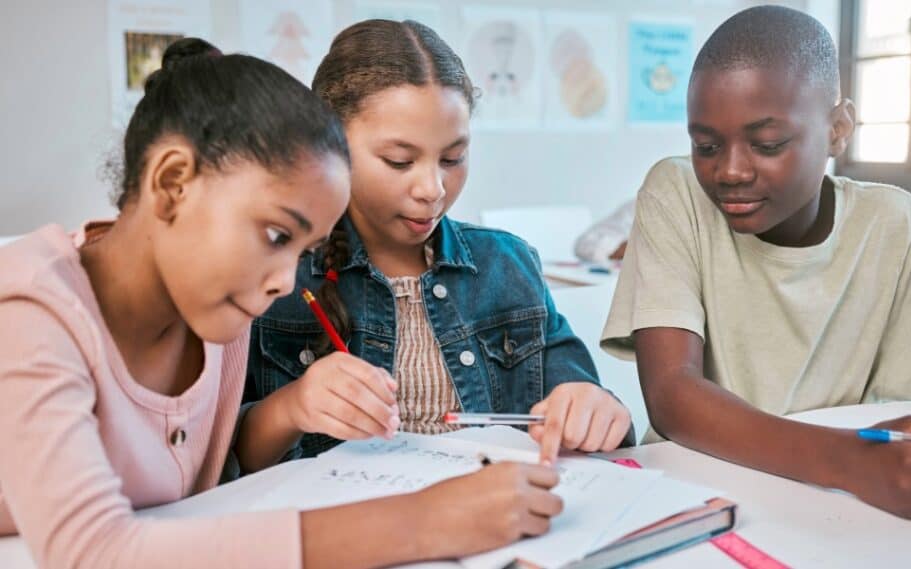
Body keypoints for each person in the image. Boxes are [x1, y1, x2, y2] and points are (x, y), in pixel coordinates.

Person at [0, 38, 562, 569]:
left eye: (304, 251)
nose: (284, 281)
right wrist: (424, 520)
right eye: (275, 236)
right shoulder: (28, 306)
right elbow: (92, 553)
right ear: (172, 183)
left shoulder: (215, 307)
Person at [601, 6, 911, 519]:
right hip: (696, 496)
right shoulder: (677, 194)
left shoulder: (893, 224)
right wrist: (851, 462)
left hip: (835, 511)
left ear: (838, 129)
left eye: (768, 144)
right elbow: (672, 394)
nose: (730, 171)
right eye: (706, 145)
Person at [241, 20, 633, 469]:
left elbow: (595, 417)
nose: (432, 189)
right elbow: (228, 465)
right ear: (330, 144)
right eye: (399, 161)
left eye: (453, 158)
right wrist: (294, 407)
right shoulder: (278, 277)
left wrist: (598, 411)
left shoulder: (507, 265)